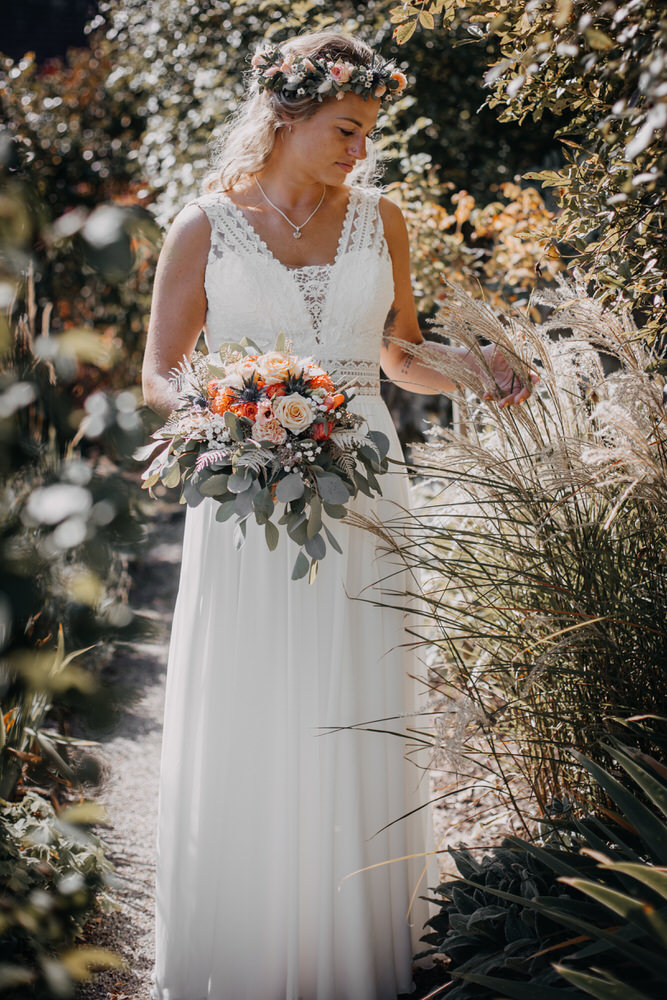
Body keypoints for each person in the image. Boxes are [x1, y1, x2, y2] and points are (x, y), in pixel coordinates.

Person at [142, 31, 534, 1000]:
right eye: (346, 130)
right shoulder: (203, 225)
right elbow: (157, 371)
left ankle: (348, 942)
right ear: (286, 116)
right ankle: (247, 938)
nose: (360, 150)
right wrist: (227, 415)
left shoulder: (381, 220)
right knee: (257, 689)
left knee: (357, 696)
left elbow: (396, 354)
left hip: (364, 484)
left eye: (367, 133)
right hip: (247, 492)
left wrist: (475, 372)